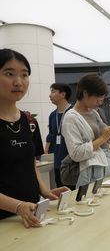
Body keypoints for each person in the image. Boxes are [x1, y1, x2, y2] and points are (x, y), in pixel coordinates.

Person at [0, 48, 69, 227]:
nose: (18, 82)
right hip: (6, 220)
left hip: (30, 214)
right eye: (9, 74)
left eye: (24, 75)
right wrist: (17, 206)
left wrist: (45, 192)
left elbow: (31, 164)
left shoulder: (29, 121)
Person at [62, 74, 110, 188]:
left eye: (101, 98)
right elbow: (76, 153)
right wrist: (103, 138)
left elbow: (100, 140)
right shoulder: (71, 117)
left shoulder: (94, 113)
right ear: (85, 93)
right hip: (91, 171)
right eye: (98, 97)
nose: (100, 102)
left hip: (106, 165)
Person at [48, 82, 74, 188]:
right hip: (58, 163)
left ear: (63, 94)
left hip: (73, 163)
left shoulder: (74, 112)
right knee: (61, 194)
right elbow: (52, 136)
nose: (50, 95)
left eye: (53, 92)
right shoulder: (52, 115)